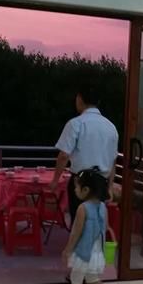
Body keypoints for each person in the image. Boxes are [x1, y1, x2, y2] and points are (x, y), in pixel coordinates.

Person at [50, 84, 119, 226]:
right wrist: (110, 187)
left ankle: (77, 241)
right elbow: (113, 161)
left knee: (79, 224)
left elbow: (64, 155)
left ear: (80, 99)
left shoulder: (76, 124)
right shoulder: (111, 127)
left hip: (81, 182)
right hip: (101, 182)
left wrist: (55, 180)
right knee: (96, 223)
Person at [54, 168, 117, 284]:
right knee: (92, 278)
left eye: (77, 187)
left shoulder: (83, 208)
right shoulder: (103, 207)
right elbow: (105, 228)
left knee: (76, 279)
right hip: (96, 251)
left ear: (86, 190)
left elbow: (76, 233)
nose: (75, 190)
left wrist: (67, 250)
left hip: (84, 251)